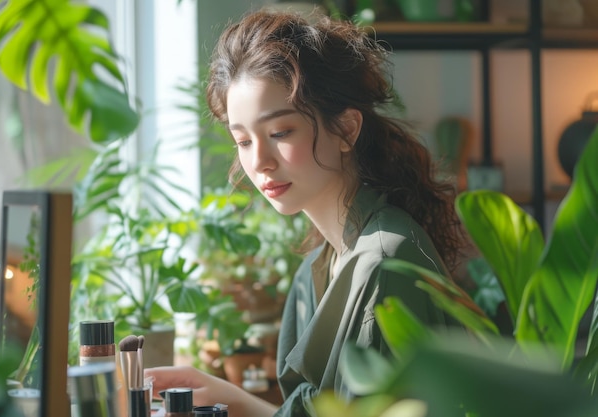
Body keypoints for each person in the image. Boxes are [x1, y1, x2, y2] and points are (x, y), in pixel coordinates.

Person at [146, 9, 466, 417]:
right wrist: (223, 396)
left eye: (280, 132)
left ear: (347, 129)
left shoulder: (384, 264)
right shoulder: (322, 264)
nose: (259, 160)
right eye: (242, 140)